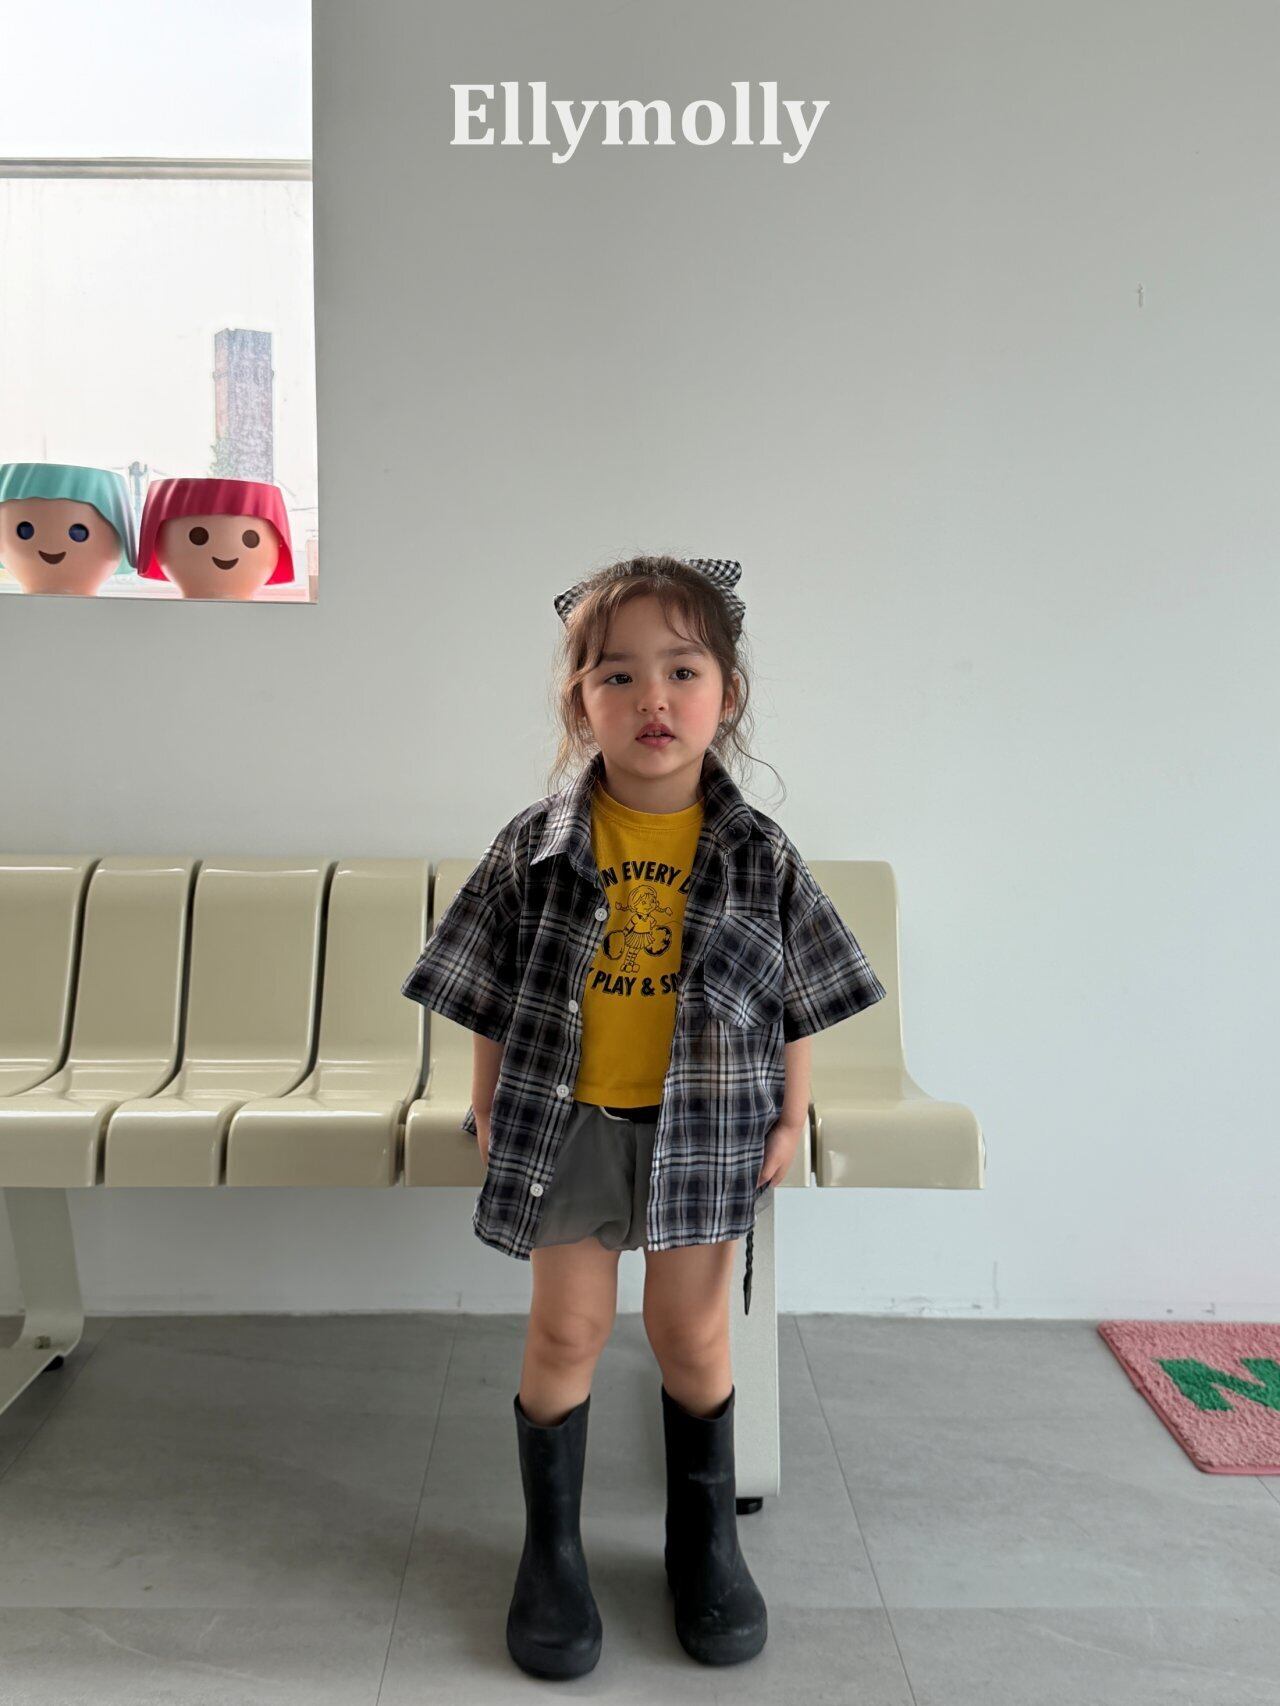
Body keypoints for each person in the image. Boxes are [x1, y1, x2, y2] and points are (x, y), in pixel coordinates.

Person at [401, 554, 886, 1678]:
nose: (651, 698)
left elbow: (798, 997)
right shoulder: (535, 843)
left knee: (693, 1334)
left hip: (707, 1129)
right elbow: (486, 985)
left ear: (727, 693)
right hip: (568, 1125)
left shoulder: (758, 853)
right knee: (565, 1333)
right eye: (617, 675)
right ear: (581, 701)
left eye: (682, 670)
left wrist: (790, 1116)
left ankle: (702, 1545)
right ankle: (552, 1556)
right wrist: (484, 1097)